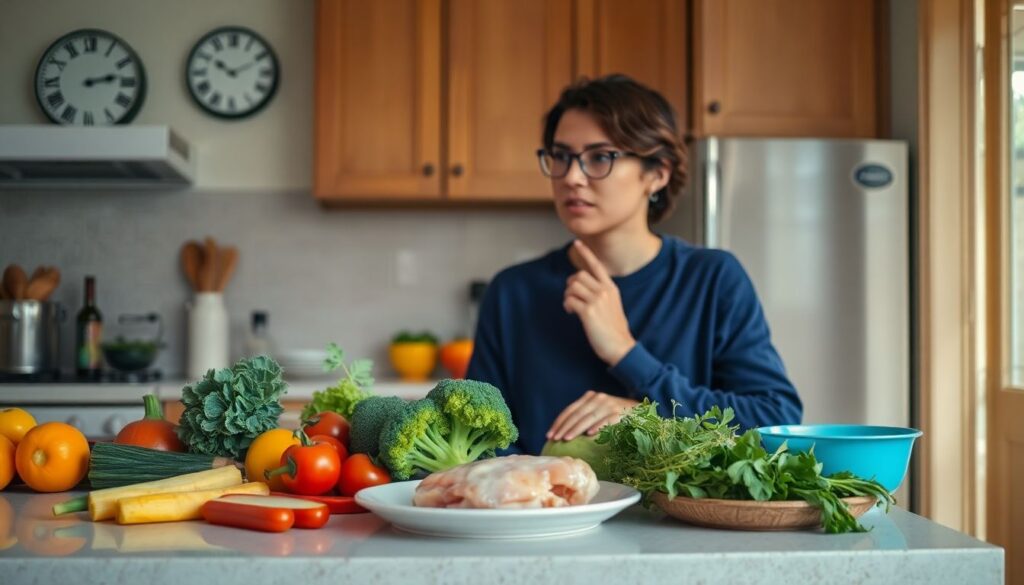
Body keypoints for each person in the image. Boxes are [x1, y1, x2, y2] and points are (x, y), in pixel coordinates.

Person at [466, 75, 802, 455]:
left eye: (600, 157)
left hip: (679, 517)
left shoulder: (713, 279)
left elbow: (775, 419)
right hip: (544, 512)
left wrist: (627, 356)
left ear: (657, 174)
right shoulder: (513, 291)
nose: (572, 178)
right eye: (561, 156)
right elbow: (483, 442)